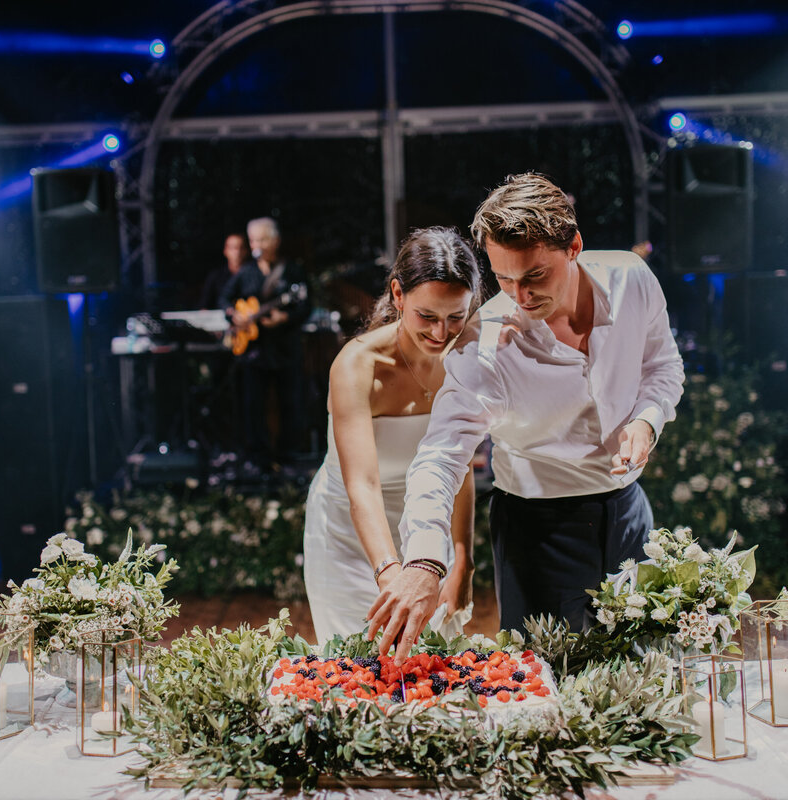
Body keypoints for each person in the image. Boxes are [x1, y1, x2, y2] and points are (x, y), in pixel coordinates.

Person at [368, 173, 685, 662]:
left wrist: (646, 419)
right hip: (539, 532)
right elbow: (440, 455)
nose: (519, 294)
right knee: (549, 688)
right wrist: (426, 561)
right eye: (504, 278)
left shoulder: (632, 280)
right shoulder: (485, 346)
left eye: (535, 275)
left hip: (629, 512)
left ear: (574, 245)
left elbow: (663, 366)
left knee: (644, 669)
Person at [303, 227, 483, 644]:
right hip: (348, 536)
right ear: (398, 295)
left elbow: (460, 469)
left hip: (425, 529)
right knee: (359, 665)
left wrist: (461, 562)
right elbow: (361, 488)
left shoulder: (468, 356)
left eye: (456, 317)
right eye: (428, 316)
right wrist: (391, 573)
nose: (442, 333)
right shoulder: (357, 365)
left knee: (424, 669)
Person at [218, 217, 311, 467]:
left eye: (262, 239)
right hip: (254, 352)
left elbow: (306, 306)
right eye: (254, 240)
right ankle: (257, 458)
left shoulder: (292, 271)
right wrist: (234, 314)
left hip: (284, 349)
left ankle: (288, 456)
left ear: (276, 241)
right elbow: (224, 298)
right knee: (253, 406)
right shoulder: (246, 273)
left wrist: (285, 316)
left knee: (289, 403)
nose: (258, 244)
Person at [199, 233, 248, 310]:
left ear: (246, 251)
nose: (237, 252)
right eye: (233, 248)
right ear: (225, 251)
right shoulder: (215, 277)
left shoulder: (252, 275)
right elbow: (205, 306)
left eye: (241, 248)